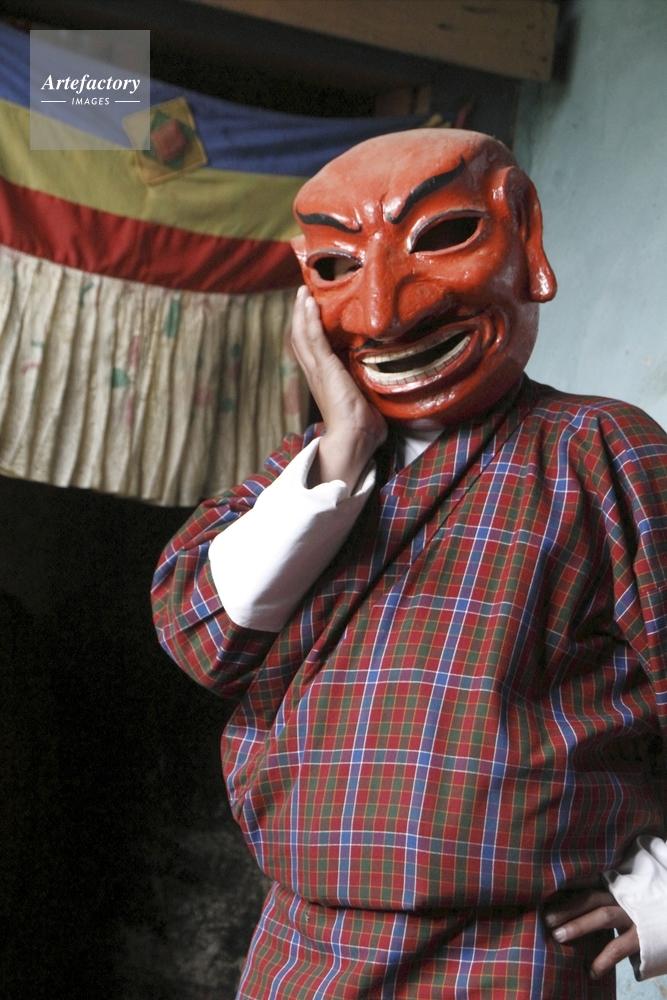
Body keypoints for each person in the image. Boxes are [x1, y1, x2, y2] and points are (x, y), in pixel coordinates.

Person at [152, 130, 667, 998]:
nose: (383, 311)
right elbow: (201, 637)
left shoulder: (598, 449)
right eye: (338, 267)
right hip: (298, 945)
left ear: (525, 237)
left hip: (505, 949)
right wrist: (342, 444)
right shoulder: (308, 474)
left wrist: (659, 897)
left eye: (440, 237)